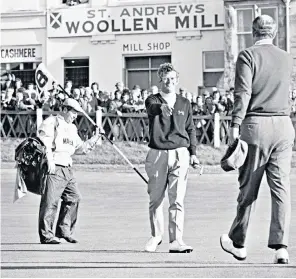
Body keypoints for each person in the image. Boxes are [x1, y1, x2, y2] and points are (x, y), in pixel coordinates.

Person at [220, 15, 295, 264]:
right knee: (281, 188)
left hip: (256, 123)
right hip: (284, 125)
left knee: (248, 187)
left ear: (253, 32)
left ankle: (238, 242)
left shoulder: (247, 55)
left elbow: (243, 91)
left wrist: (234, 123)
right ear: (274, 33)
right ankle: (281, 247)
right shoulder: (286, 57)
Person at [144, 63, 199, 253]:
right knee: (156, 198)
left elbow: (190, 129)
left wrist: (193, 154)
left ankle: (176, 240)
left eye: (173, 79)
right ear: (160, 80)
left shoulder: (184, 103)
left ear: (177, 80)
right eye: (166, 79)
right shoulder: (152, 100)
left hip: (181, 153)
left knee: (177, 199)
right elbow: (152, 108)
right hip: (158, 152)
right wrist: (162, 108)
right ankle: (156, 236)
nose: (170, 82)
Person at [38, 98, 104, 244]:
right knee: (50, 202)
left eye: (77, 113)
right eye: (74, 112)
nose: (75, 116)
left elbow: (80, 148)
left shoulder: (72, 128)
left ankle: (63, 231)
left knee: (74, 197)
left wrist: (95, 138)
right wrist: (49, 159)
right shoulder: (51, 122)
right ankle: (47, 236)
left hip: (67, 166)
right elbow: (44, 142)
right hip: (54, 165)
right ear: (65, 109)